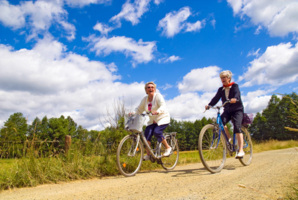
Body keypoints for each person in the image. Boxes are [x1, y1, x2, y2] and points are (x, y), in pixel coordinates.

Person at [205, 70, 245, 158]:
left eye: (224, 77)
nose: (222, 79)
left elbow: (237, 94)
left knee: (237, 127)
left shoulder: (234, 86)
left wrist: (235, 99)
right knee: (219, 124)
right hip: (227, 110)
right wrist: (209, 105)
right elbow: (215, 98)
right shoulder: (221, 89)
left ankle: (241, 150)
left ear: (229, 78)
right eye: (221, 78)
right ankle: (229, 138)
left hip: (237, 110)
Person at [135, 81, 172, 160]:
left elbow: (163, 106)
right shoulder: (145, 100)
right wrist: (134, 113)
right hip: (152, 121)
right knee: (146, 135)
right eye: (148, 87)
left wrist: (158, 111)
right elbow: (139, 109)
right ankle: (149, 154)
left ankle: (168, 147)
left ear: (155, 89)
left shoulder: (158, 96)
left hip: (162, 118)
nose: (150, 89)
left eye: (152, 87)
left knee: (157, 132)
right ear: (146, 90)